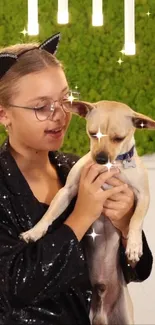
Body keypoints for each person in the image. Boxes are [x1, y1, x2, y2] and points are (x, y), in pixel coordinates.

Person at [0, 33, 153, 325]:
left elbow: (138, 269)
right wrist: (81, 216)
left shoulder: (77, 165)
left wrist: (125, 224)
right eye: (41, 107)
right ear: (3, 114)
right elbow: (12, 287)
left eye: (65, 99)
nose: (60, 115)